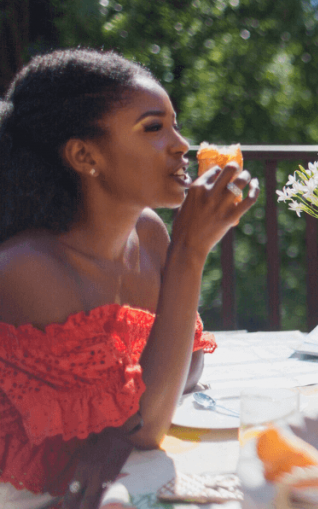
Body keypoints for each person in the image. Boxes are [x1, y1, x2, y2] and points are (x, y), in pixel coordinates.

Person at [0, 49, 258, 507]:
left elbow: (188, 367)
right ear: (84, 155)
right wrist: (191, 252)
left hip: (118, 479)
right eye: (154, 128)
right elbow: (148, 424)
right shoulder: (27, 269)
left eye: (175, 124)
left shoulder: (148, 232)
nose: (182, 145)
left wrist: (122, 429)